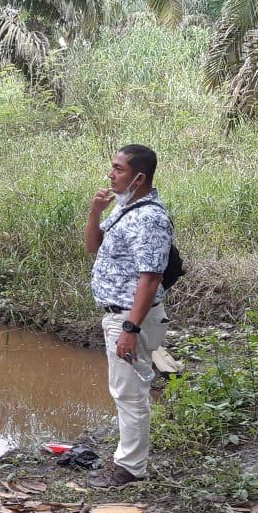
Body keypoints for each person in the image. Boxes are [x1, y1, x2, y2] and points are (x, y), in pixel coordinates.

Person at [84, 144, 174, 488]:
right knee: (125, 390)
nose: (111, 175)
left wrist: (130, 329)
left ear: (139, 178)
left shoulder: (149, 218)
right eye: (112, 167)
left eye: (118, 169)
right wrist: (95, 211)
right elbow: (94, 247)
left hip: (130, 318)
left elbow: (150, 279)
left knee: (130, 393)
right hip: (119, 316)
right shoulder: (127, 209)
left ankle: (129, 469)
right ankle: (128, 460)